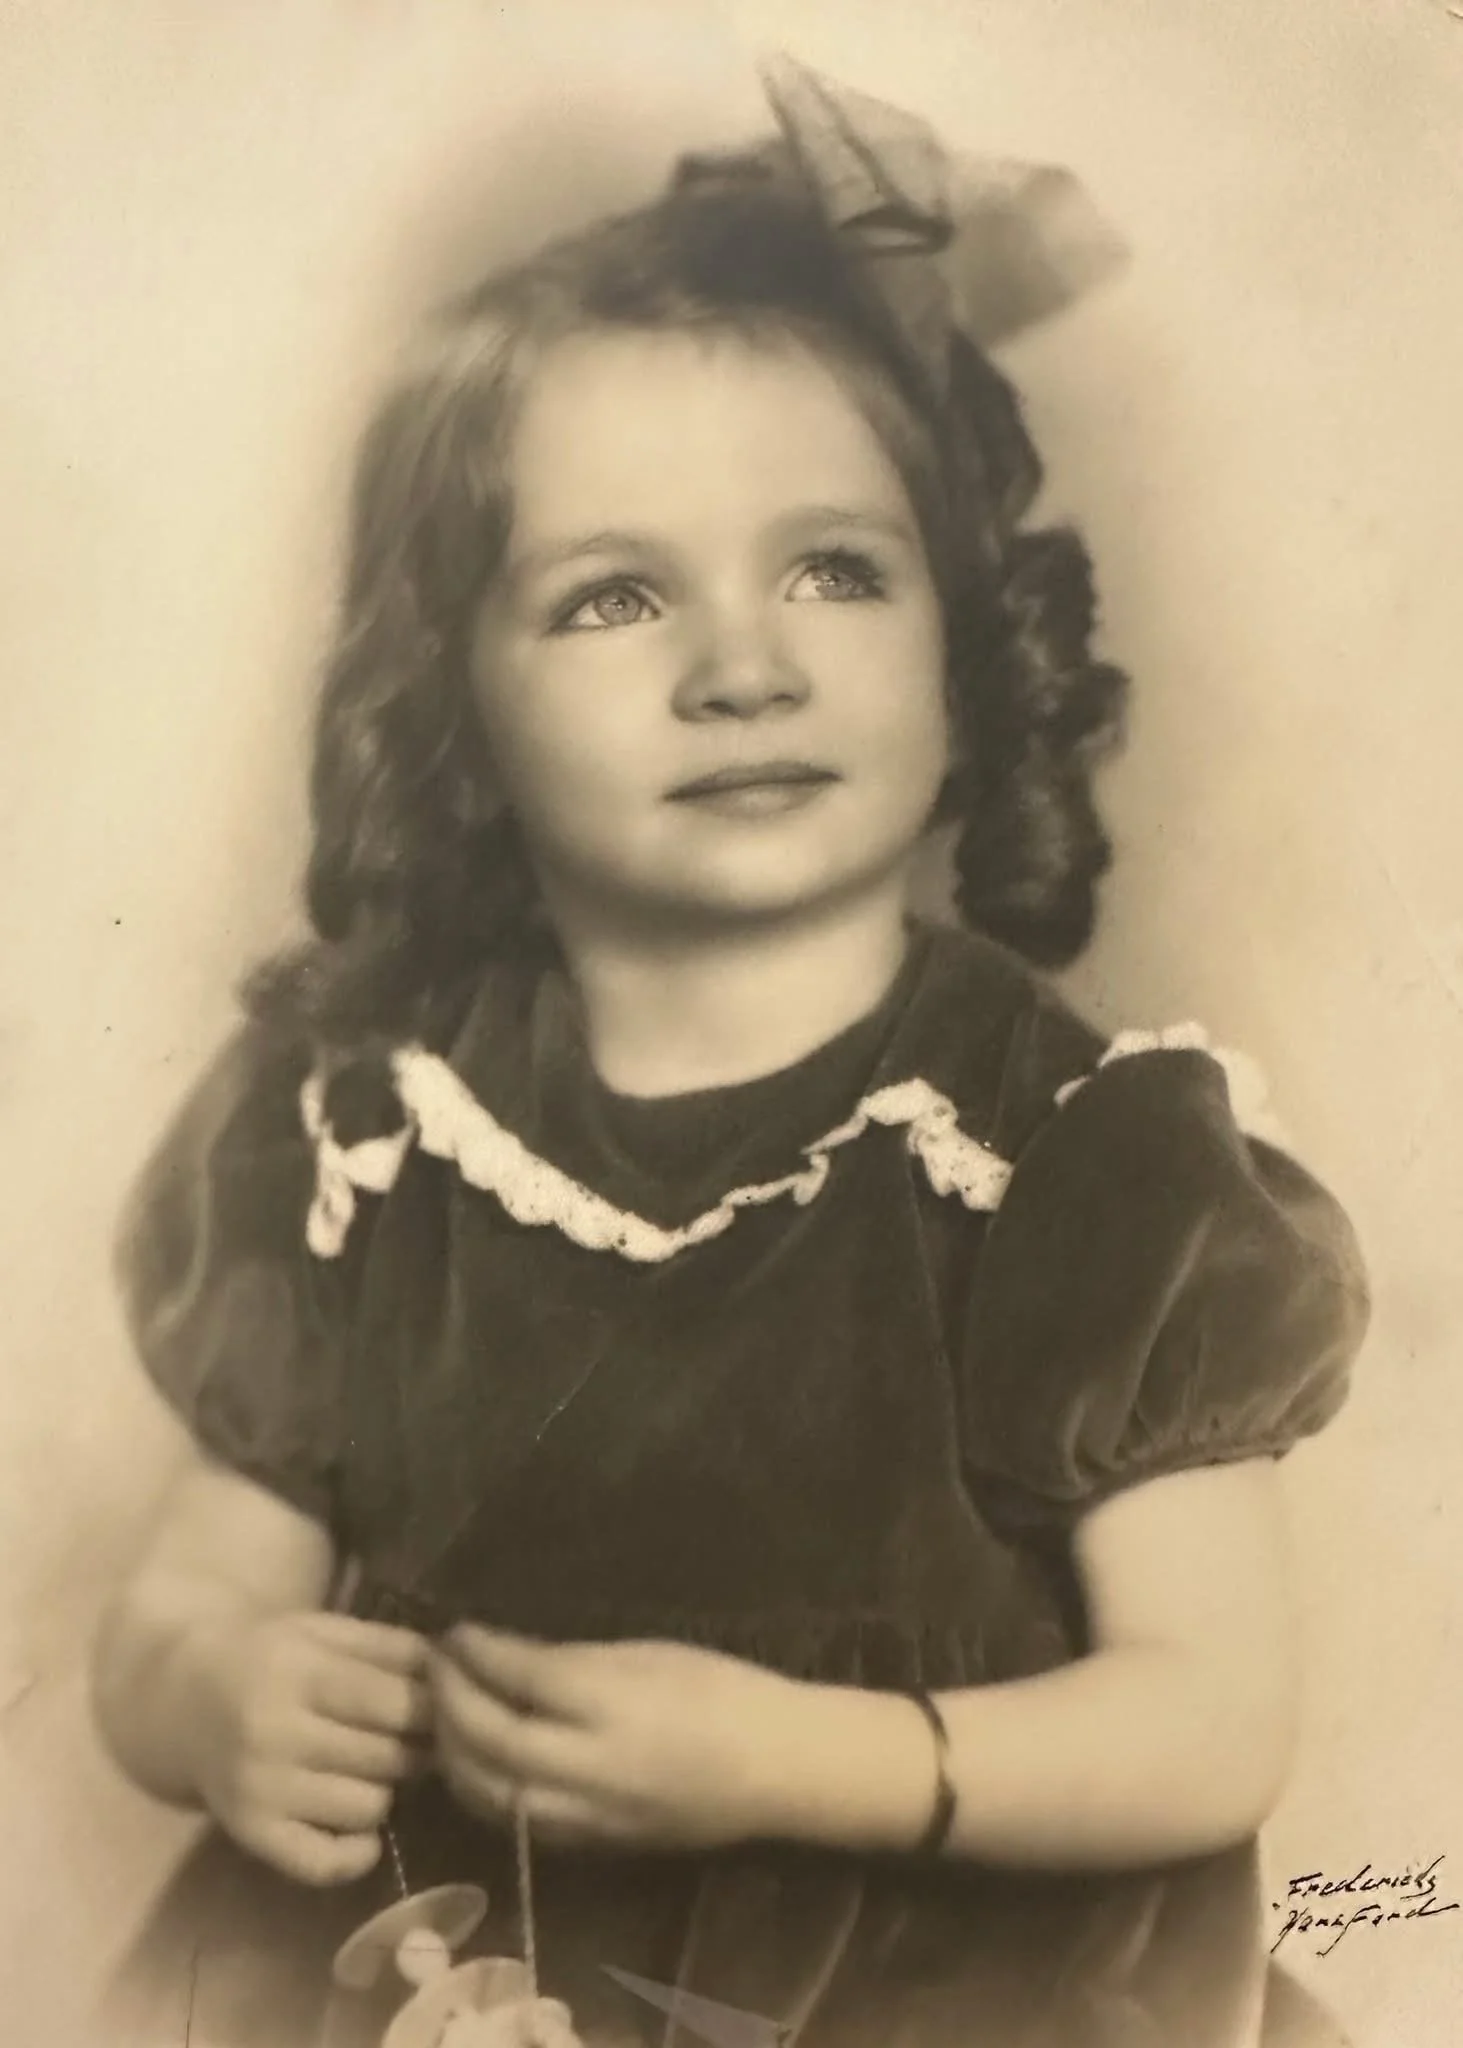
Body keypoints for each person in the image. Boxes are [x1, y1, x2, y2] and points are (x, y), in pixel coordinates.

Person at [90, 57, 1370, 2048]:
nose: (742, 661)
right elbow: (178, 1603)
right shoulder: (363, 1133)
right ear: (454, 704)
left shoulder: (1074, 1156)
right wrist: (210, 1697)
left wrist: (805, 1761)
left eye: (831, 567)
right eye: (613, 594)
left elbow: (1211, 1717)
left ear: (964, 647)